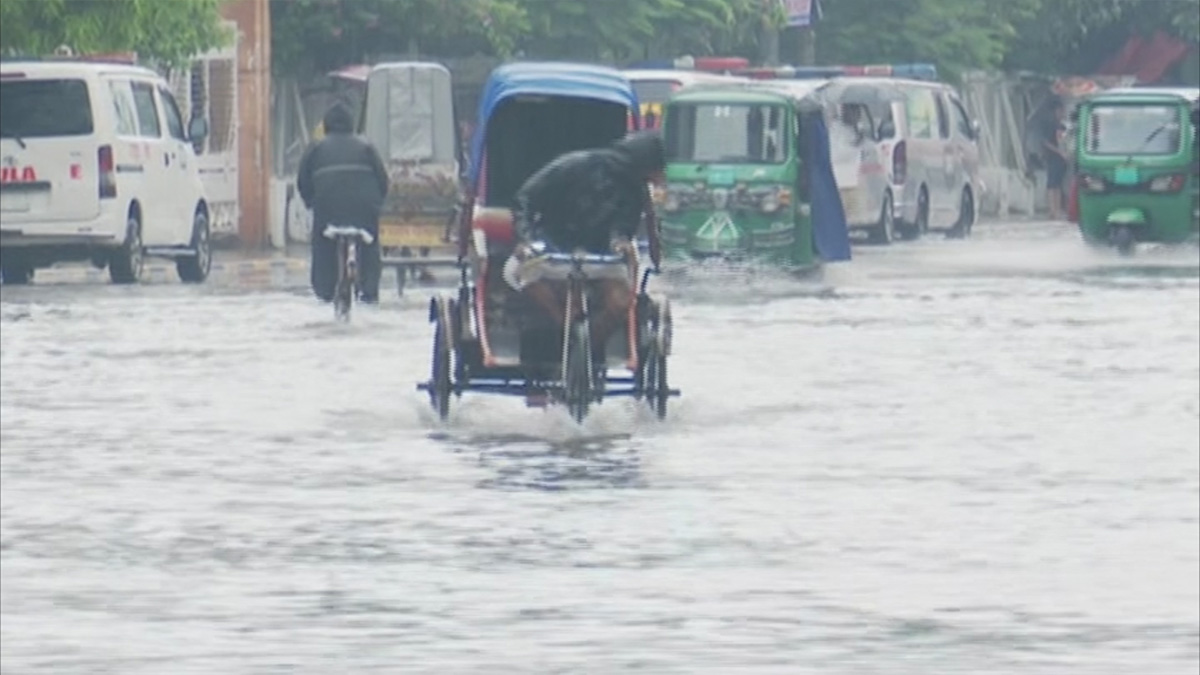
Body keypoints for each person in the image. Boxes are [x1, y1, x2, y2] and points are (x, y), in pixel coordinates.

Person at [505, 130, 665, 361]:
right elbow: (525, 199)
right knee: (517, 273)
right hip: (552, 249)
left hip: (601, 257)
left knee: (621, 303)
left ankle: (587, 349)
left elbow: (623, 226)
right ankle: (565, 329)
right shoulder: (574, 165)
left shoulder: (636, 190)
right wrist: (525, 239)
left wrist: (620, 242)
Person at [296, 103, 389, 303]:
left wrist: (311, 203)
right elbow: (383, 181)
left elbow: (303, 181)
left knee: (322, 245)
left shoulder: (316, 148)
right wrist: (377, 205)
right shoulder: (367, 147)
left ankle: (325, 290)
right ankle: (369, 290)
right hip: (365, 212)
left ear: (326, 126)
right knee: (370, 246)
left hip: (327, 211)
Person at [1042, 98, 1070, 221]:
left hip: (1061, 159)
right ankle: (1052, 210)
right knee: (1051, 184)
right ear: (1056, 110)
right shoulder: (1050, 124)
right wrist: (1059, 152)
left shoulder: (1062, 126)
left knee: (1058, 184)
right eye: (1061, 110)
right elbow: (1045, 142)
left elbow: (1065, 141)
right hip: (1053, 157)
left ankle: (1057, 209)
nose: (1063, 112)